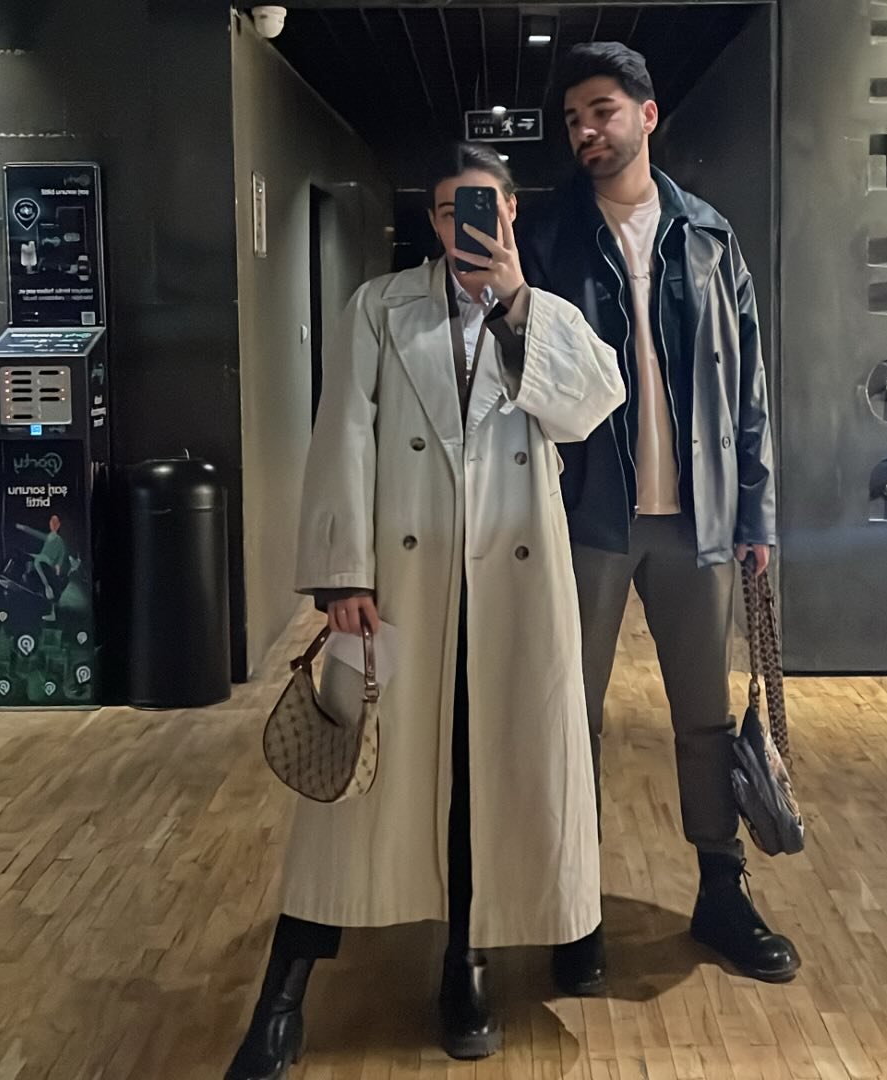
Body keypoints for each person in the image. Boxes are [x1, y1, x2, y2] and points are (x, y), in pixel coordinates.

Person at [224, 142, 624, 1079]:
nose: (463, 224)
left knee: (489, 772)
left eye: (480, 205)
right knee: (355, 781)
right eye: (448, 210)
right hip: (399, 588)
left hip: (514, 590)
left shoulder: (548, 313)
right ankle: (283, 994)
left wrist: (517, 302)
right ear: (432, 221)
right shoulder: (379, 305)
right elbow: (343, 434)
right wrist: (342, 573)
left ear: (510, 210)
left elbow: (589, 407)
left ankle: (465, 965)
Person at [517, 43, 801, 994]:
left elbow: (749, 385)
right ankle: (573, 905)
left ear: (646, 115)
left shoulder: (709, 237)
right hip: (585, 513)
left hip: (699, 519)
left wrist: (757, 509)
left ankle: (723, 889)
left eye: (601, 110)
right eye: (573, 119)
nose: (586, 131)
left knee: (704, 718)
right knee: (573, 717)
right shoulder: (548, 237)